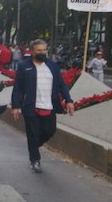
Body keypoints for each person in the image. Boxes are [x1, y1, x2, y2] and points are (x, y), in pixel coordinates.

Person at [11, 39, 75, 173]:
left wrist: (68, 100)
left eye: (44, 50)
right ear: (33, 52)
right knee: (33, 134)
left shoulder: (52, 66)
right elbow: (18, 88)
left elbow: (61, 85)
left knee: (50, 130)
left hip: (49, 106)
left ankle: (34, 146)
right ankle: (35, 160)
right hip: (31, 107)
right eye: (39, 50)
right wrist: (16, 106)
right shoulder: (24, 67)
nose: (42, 52)